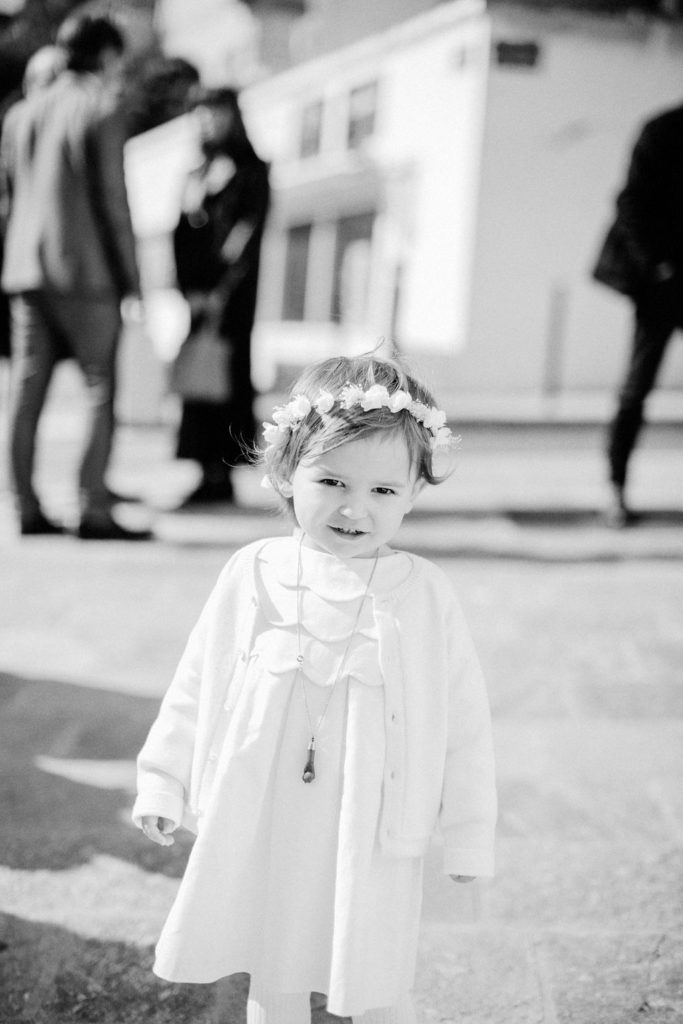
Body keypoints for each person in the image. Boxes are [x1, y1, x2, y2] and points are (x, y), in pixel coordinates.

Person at [132, 353, 497, 1024]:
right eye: (331, 481)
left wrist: (469, 833)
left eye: (383, 490)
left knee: (376, 969)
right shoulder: (255, 572)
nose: (355, 508)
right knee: (275, 963)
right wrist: (163, 780)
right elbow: (197, 682)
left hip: (371, 825)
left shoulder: (423, 594)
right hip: (269, 813)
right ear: (284, 472)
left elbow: (464, 724)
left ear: (414, 493)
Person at [0, 14, 151, 539]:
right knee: (99, 389)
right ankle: (93, 508)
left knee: (25, 394)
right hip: (86, 273)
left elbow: (9, 201)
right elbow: (113, 201)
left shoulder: (20, 113)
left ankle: (25, 508)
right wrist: (132, 279)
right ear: (107, 56)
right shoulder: (100, 107)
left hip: (26, 271)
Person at [172, 86, 270, 505]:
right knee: (199, 382)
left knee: (227, 380)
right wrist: (190, 291)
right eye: (201, 112)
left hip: (232, 298)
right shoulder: (195, 173)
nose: (208, 120)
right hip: (197, 298)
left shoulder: (252, 170)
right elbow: (180, 237)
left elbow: (246, 235)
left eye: (215, 111)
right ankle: (202, 470)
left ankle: (222, 472)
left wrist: (220, 290)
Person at [593, 101, 683, 528]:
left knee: (635, 390)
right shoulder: (664, 130)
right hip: (662, 283)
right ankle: (615, 489)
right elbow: (631, 202)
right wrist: (659, 266)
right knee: (636, 388)